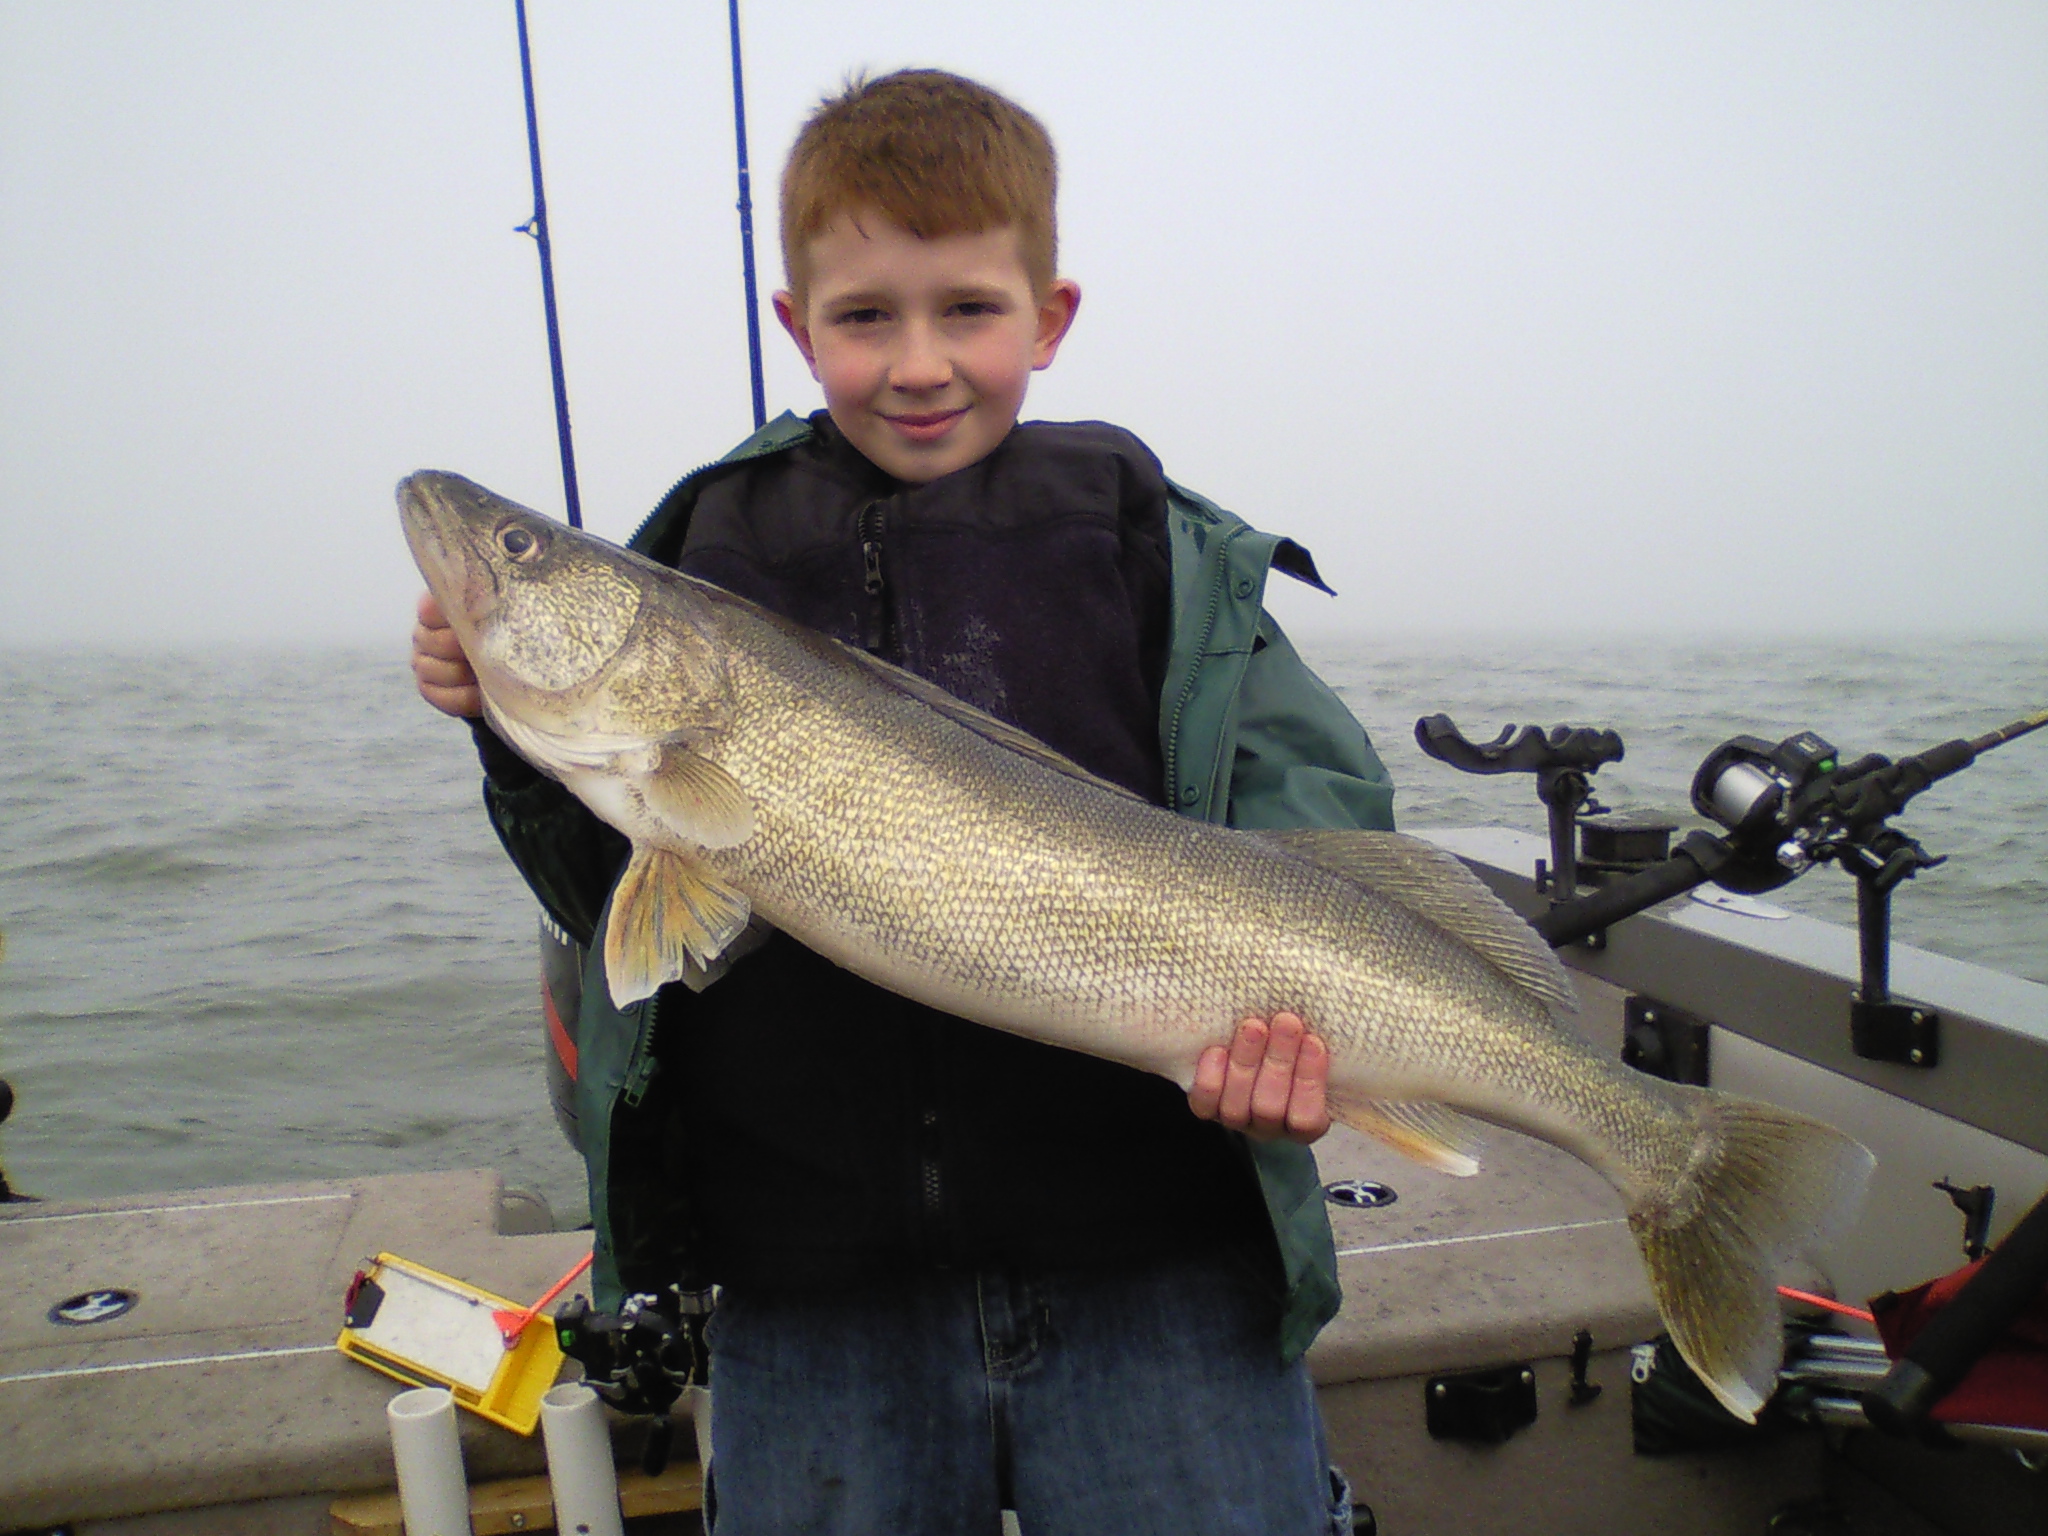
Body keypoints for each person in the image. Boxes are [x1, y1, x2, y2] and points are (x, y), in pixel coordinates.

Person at [412, 69, 1394, 1536]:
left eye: (969, 311)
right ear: (797, 326)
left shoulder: (1162, 551)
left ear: (1050, 318)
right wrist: (507, 731)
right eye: (865, 316)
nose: (918, 362)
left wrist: (1305, 1051)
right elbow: (598, 903)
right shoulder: (698, 551)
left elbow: (1325, 818)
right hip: (817, 1292)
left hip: (1162, 1262)